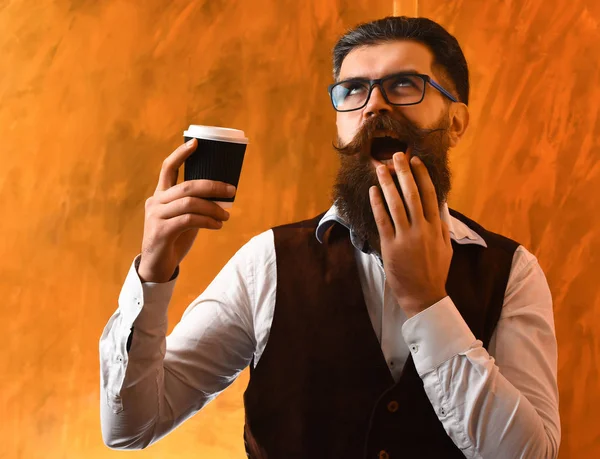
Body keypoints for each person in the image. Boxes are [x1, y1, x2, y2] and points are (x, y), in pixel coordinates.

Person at [99, 16, 560, 459]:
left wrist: (428, 304)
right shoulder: (268, 264)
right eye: (354, 90)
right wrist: (153, 273)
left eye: (403, 84)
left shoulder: (513, 272)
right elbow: (131, 426)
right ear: (340, 122)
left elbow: (530, 455)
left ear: (456, 122)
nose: (374, 104)